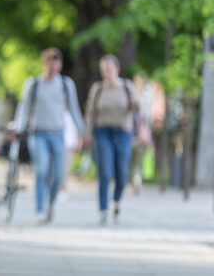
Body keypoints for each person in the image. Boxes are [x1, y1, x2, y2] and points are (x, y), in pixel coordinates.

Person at [13, 48, 85, 223]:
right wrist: (18, 129)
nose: (52, 66)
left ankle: (50, 204)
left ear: (60, 65)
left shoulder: (66, 85)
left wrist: (83, 132)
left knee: (58, 175)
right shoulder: (34, 84)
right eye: (49, 62)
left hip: (58, 134)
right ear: (44, 64)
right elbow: (24, 108)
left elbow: (74, 109)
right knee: (42, 170)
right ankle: (39, 209)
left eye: (56, 62)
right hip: (38, 135)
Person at [84, 54, 139, 225]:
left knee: (122, 174)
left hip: (123, 133)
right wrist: (87, 134)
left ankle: (116, 201)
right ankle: (103, 209)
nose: (105, 73)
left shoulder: (127, 87)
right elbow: (91, 113)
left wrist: (136, 103)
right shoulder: (98, 89)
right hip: (103, 132)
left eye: (108, 69)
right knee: (105, 172)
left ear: (117, 69)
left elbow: (137, 109)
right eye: (103, 70)